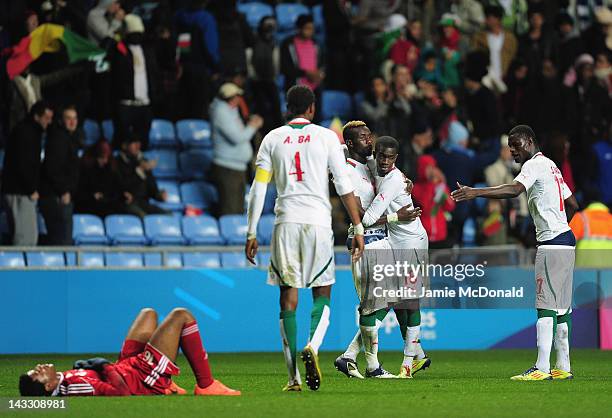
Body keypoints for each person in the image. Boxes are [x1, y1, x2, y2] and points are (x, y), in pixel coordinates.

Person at [244, 85, 365, 392]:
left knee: (288, 297)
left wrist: (250, 231)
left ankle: (293, 378)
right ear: (312, 109)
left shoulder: (271, 138)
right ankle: (313, 345)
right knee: (322, 292)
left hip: (285, 224)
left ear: (288, 109)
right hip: (317, 225)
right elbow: (343, 185)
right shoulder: (327, 138)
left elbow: (258, 188)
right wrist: (359, 227)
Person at [451, 125, 579, 381]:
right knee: (562, 308)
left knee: (545, 306)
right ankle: (563, 366)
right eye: (510, 148)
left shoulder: (533, 165)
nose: (512, 152)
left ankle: (542, 368)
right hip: (566, 241)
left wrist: (475, 192)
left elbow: (514, 190)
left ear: (530, 142)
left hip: (552, 243)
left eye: (516, 146)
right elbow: (573, 204)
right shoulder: (552, 166)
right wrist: (557, 225)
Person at [334, 121, 427, 380]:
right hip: (365, 241)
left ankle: (350, 356)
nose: (370, 141)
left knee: (390, 301)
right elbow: (361, 217)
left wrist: (404, 180)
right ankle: (372, 366)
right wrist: (398, 217)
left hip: (382, 241)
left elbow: (392, 174)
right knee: (374, 306)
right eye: (364, 138)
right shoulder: (347, 172)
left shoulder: (369, 164)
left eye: (369, 136)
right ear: (351, 143)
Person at [19, 307, 239, 396]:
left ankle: (169, 382)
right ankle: (206, 385)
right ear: (48, 386)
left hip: (127, 366)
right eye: (36, 374)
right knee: (182, 315)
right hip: (142, 377)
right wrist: (102, 365)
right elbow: (120, 393)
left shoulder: (63, 378)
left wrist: (94, 365)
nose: (38, 368)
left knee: (148, 313)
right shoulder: (74, 386)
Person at [358, 136, 430, 379]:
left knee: (411, 301)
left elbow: (367, 220)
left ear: (396, 159)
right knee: (399, 301)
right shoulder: (375, 166)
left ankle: (407, 364)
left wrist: (395, 217)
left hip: (412, 241)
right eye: (381, 156)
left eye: (390, 158)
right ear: (376, 154)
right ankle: (418, 357)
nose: (385, 161)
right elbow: (364, 160)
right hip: (394, 242)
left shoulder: (393, 181)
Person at [1, 100, 53, 246]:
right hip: (21, 192)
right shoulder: (27, 133)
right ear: (37, 116)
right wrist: (31, 189)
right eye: (46, 118)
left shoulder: (26, 131)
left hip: (16, 190)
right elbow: (24, 164)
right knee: (26, 239)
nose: (48, 122)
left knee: (21, 235)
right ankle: (19, 268)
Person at [209, 83, 263, 216]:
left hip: (237, 167)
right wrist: (253, 126)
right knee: (230, 211)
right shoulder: (220, 112)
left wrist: (250, 123)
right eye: (237, 96)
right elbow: (237, 138)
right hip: (228, 168)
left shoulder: (229, 110)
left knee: (238, 210)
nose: (239, 99)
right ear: (230, 98)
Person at [110, 14, 160, 149]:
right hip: (125, 103)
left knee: (143, 143)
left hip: (144, 104)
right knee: (121, 141)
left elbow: (154, 74)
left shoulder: (148, 50)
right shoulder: (119, 50)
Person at [39, 105, 82, 245]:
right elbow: (52, 169)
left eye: (75, 118)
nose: (72, 122)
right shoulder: (59, 139)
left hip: (60, 196)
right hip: (56, 197)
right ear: (61, 121)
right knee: (62, 241)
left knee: (62, 239)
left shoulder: (68, 138)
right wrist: (63, 190)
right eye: (68, 118)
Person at [116, 136, 169, 218]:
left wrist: (159, 195)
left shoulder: (143, 161)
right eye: (134, 143)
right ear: (124, 145)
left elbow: (152, 189)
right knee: (143, 217)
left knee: (167, 215)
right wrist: (139, 171)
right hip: (126, 203)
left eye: (138, 143)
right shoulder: (117, 162)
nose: (138, 146)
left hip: (143, 203)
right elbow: (122, 185)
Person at [75, 140, 122, 218]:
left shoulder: (110, 169)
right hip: (87, 205)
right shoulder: (85, 170)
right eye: (102, 158)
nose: (105, 161)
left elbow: (115, 188)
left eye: (107, 158)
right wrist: (92, 196)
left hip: (107, 204)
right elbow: (79, 191)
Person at [280, 14, 324, 93]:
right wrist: (306, 73)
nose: (311, 31)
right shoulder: (288, 44)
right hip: (296, 89)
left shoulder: (315, 43)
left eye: (312, 28)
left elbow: (322, 64)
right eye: (308, 28)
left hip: (315, 89)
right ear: (299, 29)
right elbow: (285, 68)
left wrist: (320, 74)